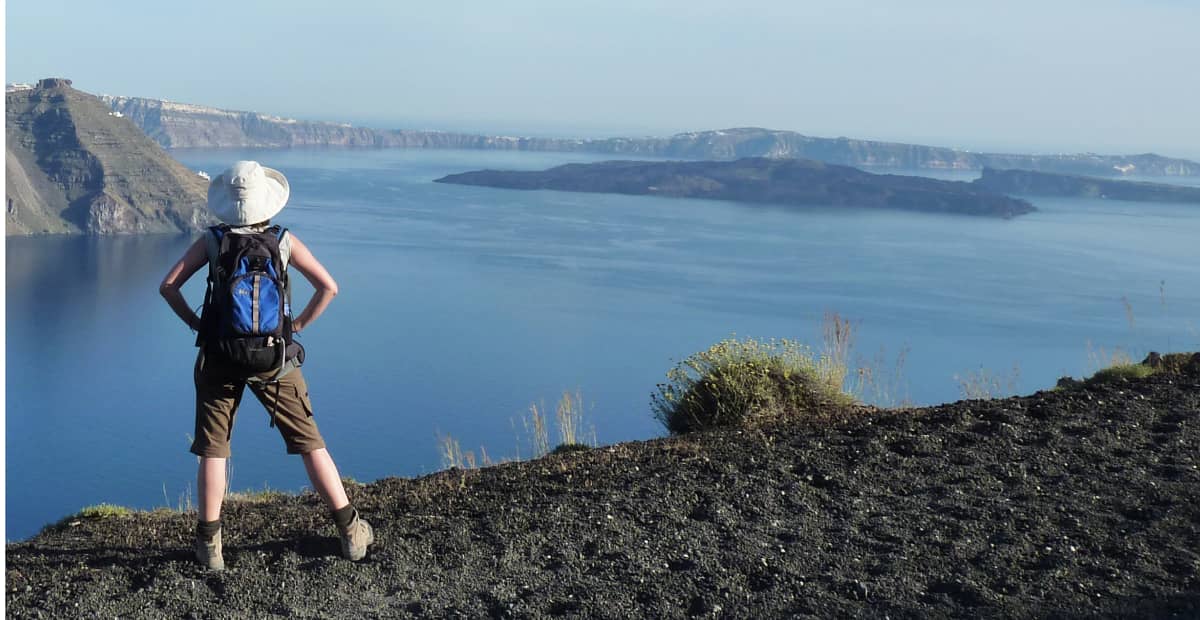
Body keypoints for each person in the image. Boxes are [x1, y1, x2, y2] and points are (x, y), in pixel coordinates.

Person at [159, 161, 373, 570]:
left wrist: (197, 324)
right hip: (275, 358)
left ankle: (210, 547)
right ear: (266, 201)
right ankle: (350, 532)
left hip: (219, 356)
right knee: (310, 443)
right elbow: (329, 287)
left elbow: (167, 286)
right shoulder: (283, 241)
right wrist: (295, 327)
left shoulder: (212, 241)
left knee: (213, 450)